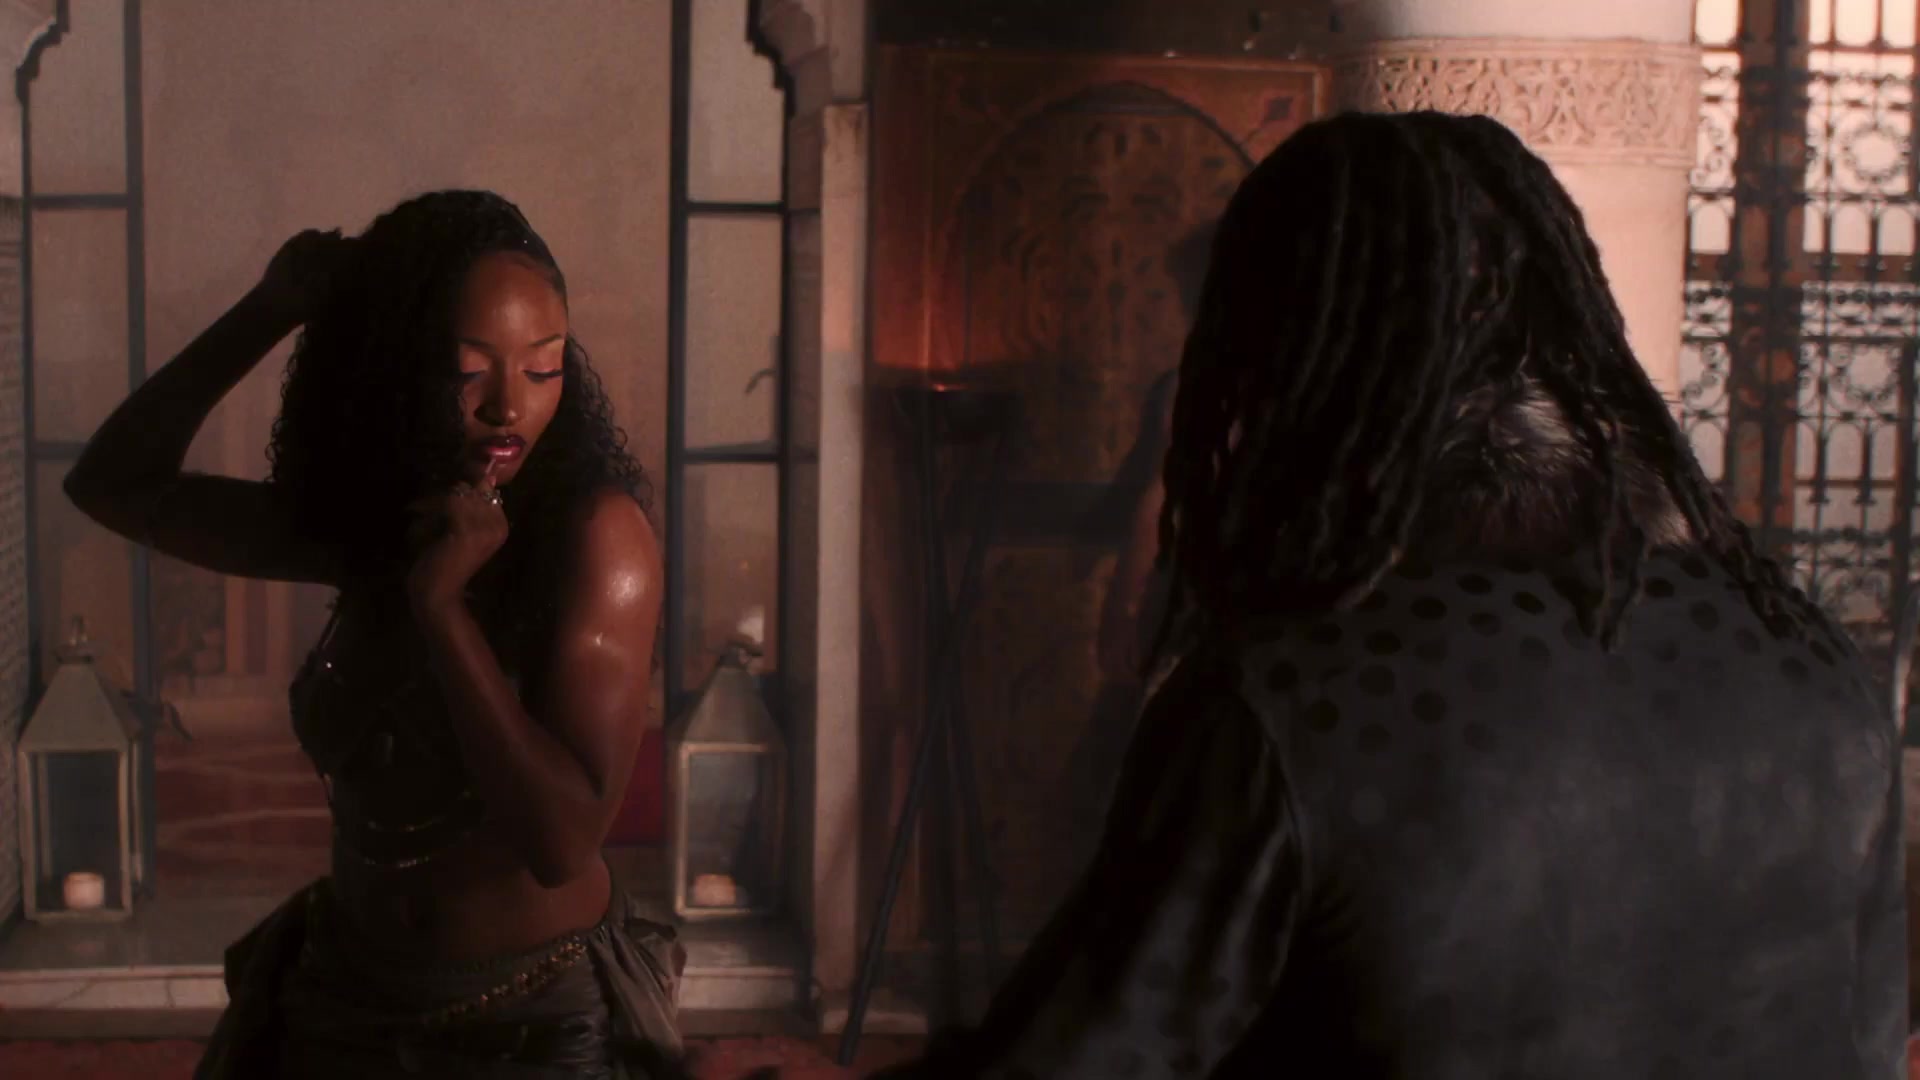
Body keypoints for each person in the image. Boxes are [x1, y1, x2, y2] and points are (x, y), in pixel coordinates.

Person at [871, 112, 1906, 1078]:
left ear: (1291, 361)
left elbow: (1084, 1061)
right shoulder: (1813, 663)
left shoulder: (1285, 702)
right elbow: (1869, 1039)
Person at [65, 190, 688, 1079]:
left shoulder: (597, 537)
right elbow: (114, 485)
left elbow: (560, 842)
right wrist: (266, 311)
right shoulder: (374, 519)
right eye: (467, 370)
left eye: (544, 368)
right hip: (343, 995)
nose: (508, 407)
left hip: (529, 1021)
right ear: (394, 367)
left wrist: (442, 610)